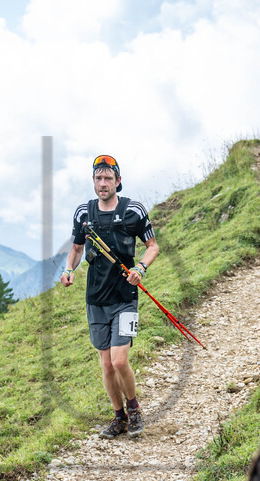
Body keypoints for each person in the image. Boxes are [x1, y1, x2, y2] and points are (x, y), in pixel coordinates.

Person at [60, 154, 159, 439]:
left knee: (118, 361)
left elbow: (152, 246)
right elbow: (77, 250)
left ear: (118, 181)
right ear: (93, 181)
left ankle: (134, 408)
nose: (103, 183)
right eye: (98, 178)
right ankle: (119, 418)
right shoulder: (84, 213)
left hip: (126, 296)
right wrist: (69, 270)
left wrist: (140, 267)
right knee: (105, 364)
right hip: (96, 300)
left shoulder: (134, 211)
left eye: (108, 178)